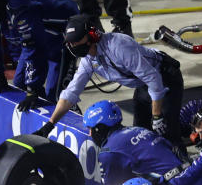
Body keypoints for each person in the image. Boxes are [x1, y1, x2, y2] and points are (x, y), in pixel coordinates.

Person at [34, 15, 185, 142]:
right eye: (70, 43)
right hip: (143, 82)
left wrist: (157, 115)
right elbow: (71, 93)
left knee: (167, 132)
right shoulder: (88, 60)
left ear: (92, 36)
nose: (73, 46)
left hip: (164, 77)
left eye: (76, 41)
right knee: (140, 133)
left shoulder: (119, 46)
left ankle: (182, 166)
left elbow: (153, 79)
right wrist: (50, 124)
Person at [0, 0, 79, 108]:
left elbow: (33, 47)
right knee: (20, 85)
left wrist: (33, 89)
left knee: (55, 96)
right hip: (40, 32)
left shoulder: (20, 7)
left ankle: (71, 116)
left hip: (64, 32)